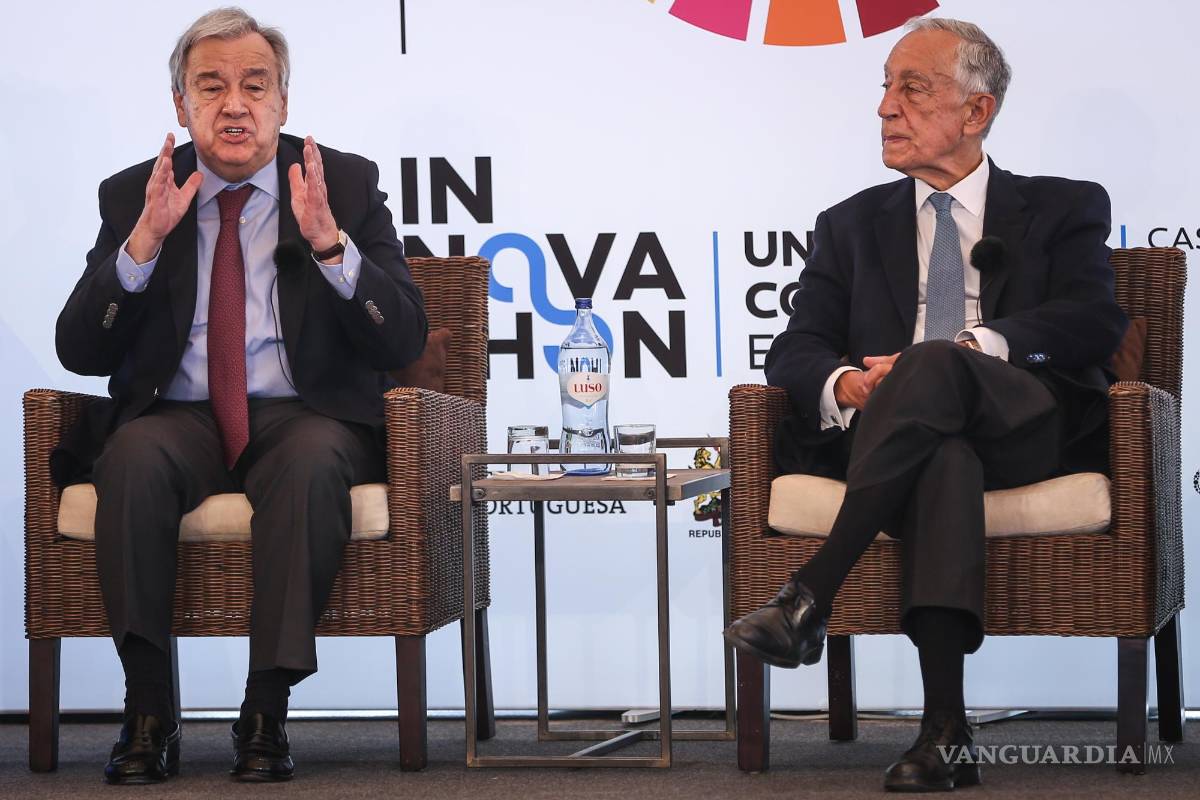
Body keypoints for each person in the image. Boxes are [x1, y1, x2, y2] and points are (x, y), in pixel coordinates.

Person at [723, 17, 1126, 792]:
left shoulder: (1062, 206)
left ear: (977, 112)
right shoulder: (849, 225)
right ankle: (946, 733)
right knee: (943, 453)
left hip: (1025, 421)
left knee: (940, 361)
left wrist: (973, 348)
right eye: (884, 86)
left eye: (912, 88)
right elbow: (797, 346)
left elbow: (1090, 320)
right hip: (900, 436)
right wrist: (851, 385)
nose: (885, 107)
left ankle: (813, 591)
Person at [54, 7, 426, 784]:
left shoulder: (343, 184)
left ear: (284, 102)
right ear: (180, 106)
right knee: (128, 460)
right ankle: (149, 707)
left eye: (255, 86)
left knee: (316, 460)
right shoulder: (134, 194)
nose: (234, 105)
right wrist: (143, 245)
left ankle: (267, 710)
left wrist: (330, 244)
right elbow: (80, 350)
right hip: (179, 414)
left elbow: (403, 341)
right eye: (211, 86)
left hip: (302, 414)